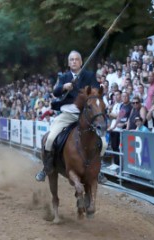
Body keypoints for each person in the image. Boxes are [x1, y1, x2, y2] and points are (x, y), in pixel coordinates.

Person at [35, 50, 103, 182]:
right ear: (68, 63)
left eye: (77, 59)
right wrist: (64, 87)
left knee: (103, 143)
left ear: (81, 62)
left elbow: (96, 89)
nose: (74, 62)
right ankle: (47, 167)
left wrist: (89, 91)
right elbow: (55, 92)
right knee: (50, 138)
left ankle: (98, 170)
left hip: (86, 116)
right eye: (71, 60)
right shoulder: (64, 77)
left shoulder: (89, 75)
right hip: (67, 114)